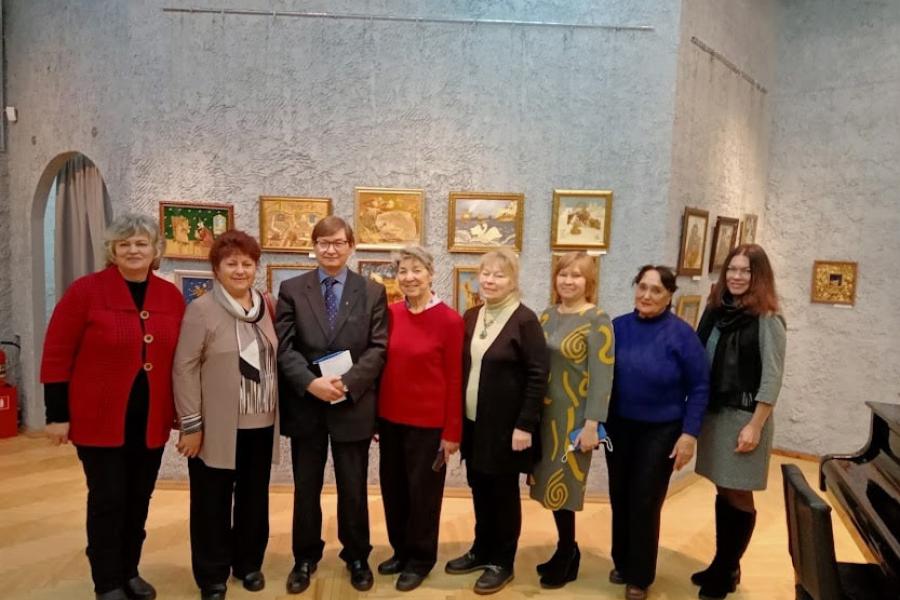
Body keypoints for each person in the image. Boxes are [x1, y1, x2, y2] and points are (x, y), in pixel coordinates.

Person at [41, 213, 185, 600]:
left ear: (155, 250)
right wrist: (57, 415)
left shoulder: (170, 296)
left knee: (138, 499)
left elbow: (181, 358)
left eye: (141, 243)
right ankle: (107, 582)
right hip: (98, 420)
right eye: (125, 244)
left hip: (150, 420)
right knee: (108, 500)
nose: (133, 250)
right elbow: (57, 353)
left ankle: (130, 571)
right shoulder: (86, 291)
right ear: (113, 250)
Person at [275, 215, 388, 594]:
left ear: (351, 246)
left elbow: (378, 348)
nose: (331, 249)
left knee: (353, 488)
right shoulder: (292, 289)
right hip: (307, 404)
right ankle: (304, 558)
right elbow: (284, 347)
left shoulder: (371, 291)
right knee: (306, 488)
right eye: (323, 242)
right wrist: (311, 383)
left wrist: (347, 384)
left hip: (352, 404)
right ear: (314, 247)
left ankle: (356, 556)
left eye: (339, 242)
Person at [172, 230, 280, 600]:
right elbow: (184, 368)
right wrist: (191, 425)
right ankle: (212, 575)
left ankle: (248, 564)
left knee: (254, 498)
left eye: (247, 263)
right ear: (216, 269)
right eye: (231, 263)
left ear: (256, 267)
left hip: (260, 422)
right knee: (211, 502)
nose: (240, 270)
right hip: (215, 427)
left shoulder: (267, 305)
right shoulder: (201, 309)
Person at [444, 248, 548, 595]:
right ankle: (481, 549)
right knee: (479, 487)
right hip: (474, 424)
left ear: (513, 280)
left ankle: (503, 562)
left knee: (502, 494)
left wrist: (525, 425)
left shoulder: (525, 320)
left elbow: (538, 375)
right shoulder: (472, 315)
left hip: (507, 428)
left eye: (499, 275)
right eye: (485, 273)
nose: (489, 280)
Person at [606, 265, 709, 600]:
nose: (646, 295)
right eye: (642, 287)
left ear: (669, 296)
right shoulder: (618, 327)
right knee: (620, 496)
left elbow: (700, 387)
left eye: (656, 290)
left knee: (645, 500)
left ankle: (640, 576)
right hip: (619, 427)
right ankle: (622, 562)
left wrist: (689, 435)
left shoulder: (682, 335)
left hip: (662, 430)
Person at [691, 244, 786, 600]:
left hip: (745, 417)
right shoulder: (716, 310)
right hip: (716, 414)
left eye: (746, 270)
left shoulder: (768, 318)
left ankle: (728, 567)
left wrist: (756, 425)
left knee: (739, 493)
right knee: (722, 488)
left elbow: (772, 378)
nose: (737, 276)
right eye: (732, 269)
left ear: (759, 276)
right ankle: (723, 563)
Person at [376, 245, 464, 592]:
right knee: (393, 490)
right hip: (390, 420)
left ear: (431, 274)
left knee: (423, 495)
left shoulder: (450, 321)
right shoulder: (391, 313)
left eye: (417, 270)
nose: (409, 277)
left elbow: (455, 378)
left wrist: (452, 431)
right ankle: (400, 551)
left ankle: (421, 559)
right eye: (403, 271)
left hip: (429, 426)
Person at [529, 251, 614, 588]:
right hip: (545, 417)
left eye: (576, 275)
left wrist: (593, 425)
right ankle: (566, 548)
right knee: (548, 485)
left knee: (565, 485)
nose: (568, 281)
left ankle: (568, 553)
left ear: (588, 282)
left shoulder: (598, 319)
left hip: (574, 420)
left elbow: (603, 378)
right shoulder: (547, 316)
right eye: (563, 274)